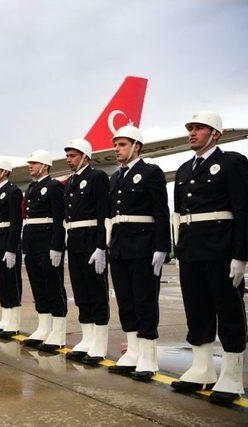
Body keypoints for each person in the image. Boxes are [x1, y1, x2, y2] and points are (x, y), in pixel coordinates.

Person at [169, 111, 248, 404]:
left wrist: (241, 254)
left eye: (199, 128)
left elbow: (242, 210)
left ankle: (231, 374)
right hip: (191, 249)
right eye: (190, 128)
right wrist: (179, 250)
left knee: (228, 309)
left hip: (221, 248)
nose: (192, 133)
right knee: (197, 308)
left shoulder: (232, 162)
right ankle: (202, 368)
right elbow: (179, 214)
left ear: (215, 133)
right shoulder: (184, 169)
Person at [105, 126, 170, 381]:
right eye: (116, 144)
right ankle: (132, 351)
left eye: (122, 144)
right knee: (126, 301)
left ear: (136, 146)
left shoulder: (150, 172)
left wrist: (162, 247)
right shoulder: (115, 178)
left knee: (145, 300)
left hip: (144, 246)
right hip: (120, 247)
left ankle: (148, 356)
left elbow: (161, 212)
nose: (117, 149)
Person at [63, 139, 110, 364]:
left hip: (91, 240)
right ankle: (87, 338)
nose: (68, 159)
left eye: (73, 155)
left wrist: (102, 246)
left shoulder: (97, 177)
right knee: (81, 292)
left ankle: (99, 342)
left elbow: (103, 214)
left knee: (96, 292)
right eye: (68, 156)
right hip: (75, 241)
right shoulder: (71, 181)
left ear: (85, 156)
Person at [21, 151, 68, 352]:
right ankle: (43, 327)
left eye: (34, 163)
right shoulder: (32, 187)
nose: (30, 166)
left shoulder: (55, 186)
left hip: (48, 241)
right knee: (38, 286)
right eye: (30, 163)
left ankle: (58, 330)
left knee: (53, 285)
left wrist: (57, 246)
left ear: (45, 166)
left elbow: (59, 219)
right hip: (32, 242)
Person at [0, 159, 23, 338]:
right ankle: (5, 317)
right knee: (1, 281)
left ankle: (14, 321)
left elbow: (16, 222)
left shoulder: (13, 191)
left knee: (11, 282)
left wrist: (12, 248)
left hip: (6, 242)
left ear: (5, 172)